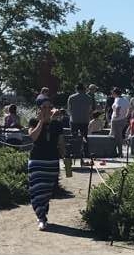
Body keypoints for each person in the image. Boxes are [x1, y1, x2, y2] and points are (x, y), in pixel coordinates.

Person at [26, 96, 65, 231]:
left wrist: (66, 159)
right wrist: (41, 122)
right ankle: (41, 217)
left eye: (49, 107)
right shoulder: (33, 121)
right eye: (44, 107)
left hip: (52, 160)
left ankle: (42, 214)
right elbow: (33, 137)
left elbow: (61, 143)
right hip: (37, 160)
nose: (47, 109)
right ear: (39, 109)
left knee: (47, 191)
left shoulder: (57, 124)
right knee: (37, 190)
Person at [66, 84, 93, 167]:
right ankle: (86, 153)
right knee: (84, 137)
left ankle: (74, 153)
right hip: (84, 120)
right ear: (84, 89)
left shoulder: (71, 97)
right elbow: (90, 109)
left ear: (76, 89)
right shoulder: (89, 98)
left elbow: (69, 109)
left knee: (74, 138)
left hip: (74, 120)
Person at [109, 88, 131, 155]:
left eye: (112, 93)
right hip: (123, 120)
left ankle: (119, 152)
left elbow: (118, 107)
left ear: (115, 93)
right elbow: (130, 108)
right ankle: (118, 151)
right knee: (119, 136)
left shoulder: (117, 99)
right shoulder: (125, 99)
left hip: (116, 120)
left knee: (115, 136)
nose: (112, 94)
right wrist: (126, 116)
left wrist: (116, 115)